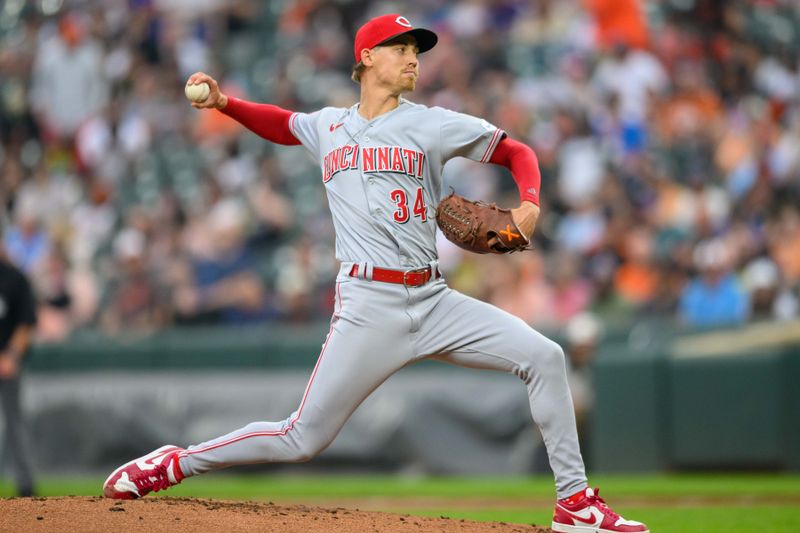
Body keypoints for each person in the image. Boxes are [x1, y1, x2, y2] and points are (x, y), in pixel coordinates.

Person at [103, 14, 648, 533]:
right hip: (368, 306)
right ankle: (175, 464)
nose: (413, 59)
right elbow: (282, 124)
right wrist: (225, 104)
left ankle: (574, 504)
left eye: (417, 51)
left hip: (435, 299)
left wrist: (528, 203)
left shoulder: (432, 124)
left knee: (545, 357)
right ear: (366, 58)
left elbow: (518, 151)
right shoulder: (329, 126)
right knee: (302, 438)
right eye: (401, 49)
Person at [0, 233, 37, 497]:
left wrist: (11, 355)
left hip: (6, 362)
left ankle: (25, 485)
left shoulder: (14, 278)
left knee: (15, 423)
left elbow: (26, 323)